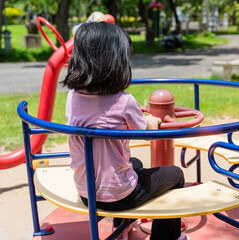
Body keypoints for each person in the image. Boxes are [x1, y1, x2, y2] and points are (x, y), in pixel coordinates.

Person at [62, 21, 188, 240]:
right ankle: (166, 238)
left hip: (86, 192)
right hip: (119, 196)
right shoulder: (124, 101)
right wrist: (153, 120)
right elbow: (145, 128)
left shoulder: (72, 97)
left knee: (135, 164)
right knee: (175, 175)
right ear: (115, 62)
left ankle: (123, 231)